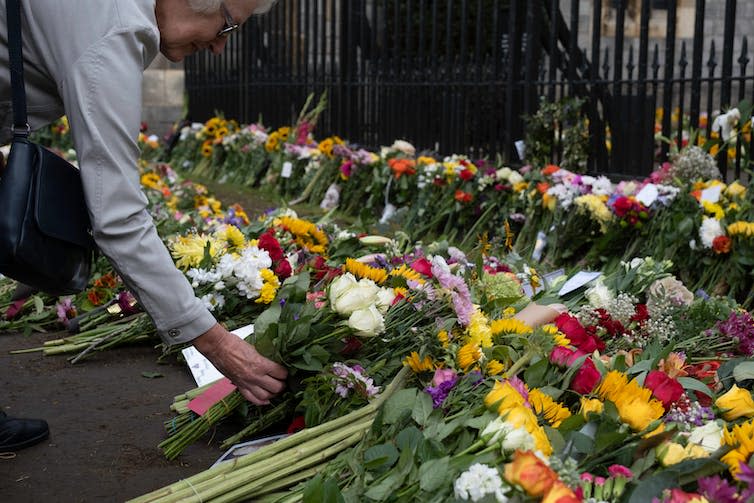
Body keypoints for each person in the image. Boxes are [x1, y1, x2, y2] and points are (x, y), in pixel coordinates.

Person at [0, 0, 287, 451]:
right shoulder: (113, 30)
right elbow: (117, 217)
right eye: (228, 25)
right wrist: (217, 344)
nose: (217, 45)